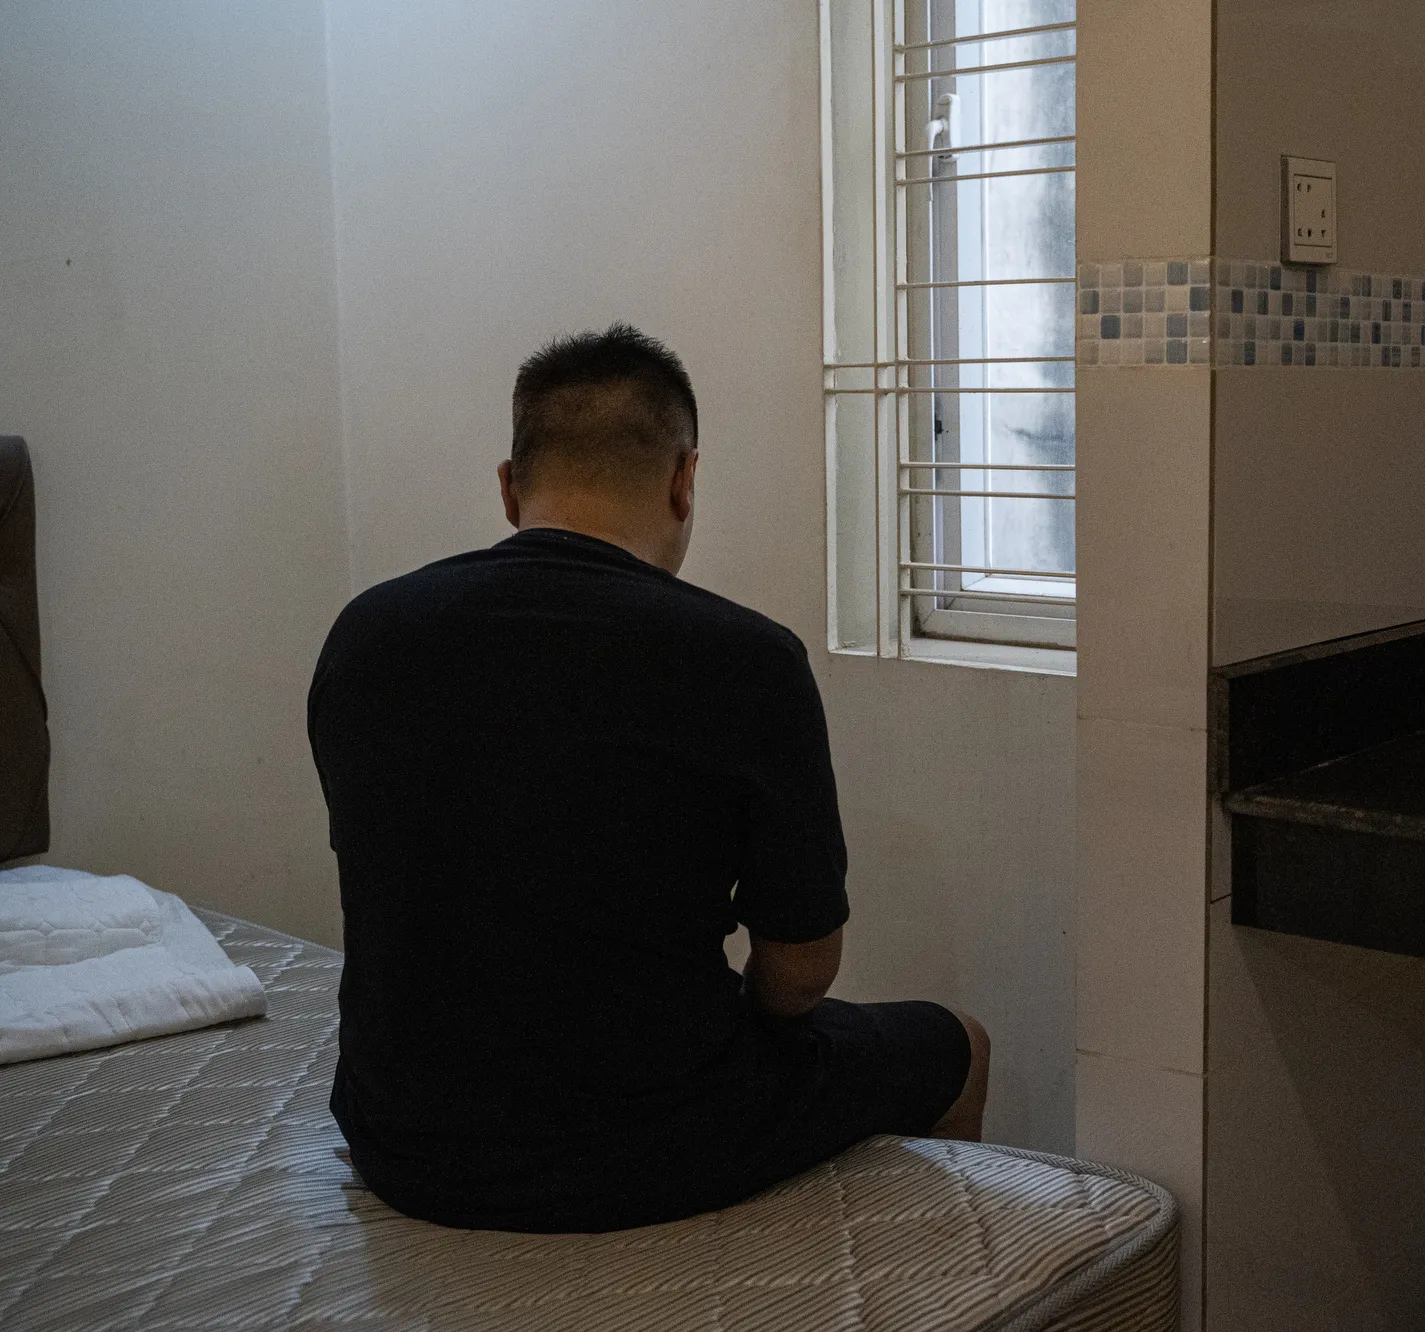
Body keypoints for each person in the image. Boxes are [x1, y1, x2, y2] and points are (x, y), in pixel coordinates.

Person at [308, 324, 987, 1233]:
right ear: (683, 480)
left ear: (509, 489)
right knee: (959, 1045)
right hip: (648, 1144)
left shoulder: (367, 633)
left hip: (402, 1140)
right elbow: (801, 976)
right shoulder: (746, 661)